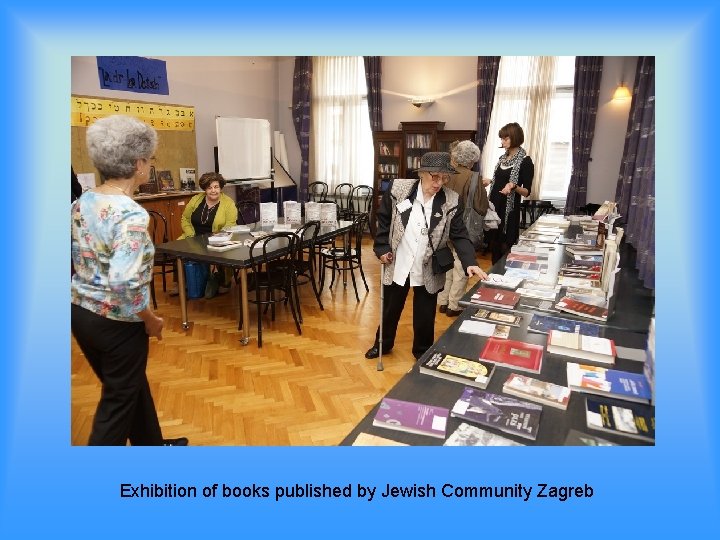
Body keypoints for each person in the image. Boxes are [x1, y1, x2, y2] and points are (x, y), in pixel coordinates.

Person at [71, 115, 187, 446]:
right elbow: (124, 284)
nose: (150, 164)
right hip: (116, 324)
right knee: (116, 406)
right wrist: (150, 319)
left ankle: (152, 448)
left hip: (81, 314)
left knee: (129, 386)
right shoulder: (130, 213)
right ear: (138, 164)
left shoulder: (82, 202)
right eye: (149, 159)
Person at [365, 152, 487, 360]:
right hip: (399, 261)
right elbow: (383, 220)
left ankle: (422, 351)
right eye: (435, 177)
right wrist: (382, 248)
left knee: (425, 313)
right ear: (421, 173)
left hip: (428, 264)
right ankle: (382, 344)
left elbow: (459, 235)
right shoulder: (398, 190)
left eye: (445, 177)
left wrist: (470, 262)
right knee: (390, 308)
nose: (440, 183)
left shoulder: (451, 200)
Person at [437, 140, 489, 317]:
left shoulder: (445, 174)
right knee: (461, 266)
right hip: (463, 229)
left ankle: (443, 301)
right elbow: (481, 206)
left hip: (443, 226)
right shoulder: (474, 177)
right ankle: (455, 305)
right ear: (472, 159)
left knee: (447, 265)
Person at [177, 172, 238, 298]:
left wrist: (217, 238)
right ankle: (182, 282)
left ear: (220, 187)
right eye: (209, 188)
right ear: (205, 189)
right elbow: (185, 218)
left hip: (217, 238)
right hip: (193, 236)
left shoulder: (229, 203)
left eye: (216, 187)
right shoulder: (196, 199)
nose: (213, 191)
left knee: (225, 252)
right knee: (177, 248)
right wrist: (190, 234)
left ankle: (224, 281)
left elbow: (230, 225)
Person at [483, 122, 535, 264]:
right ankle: (494, 279)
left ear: (515, 138)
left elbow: (526, 192)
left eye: (506, 138)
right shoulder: (502, 159)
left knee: (505, 248)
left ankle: (505, 279)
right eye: (501, 139)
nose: (502, 141)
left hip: (509, 211)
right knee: (494, 247)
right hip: (494, 208)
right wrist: (489, 181)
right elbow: (498, 181)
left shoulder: (525, 161)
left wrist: (513, 186)